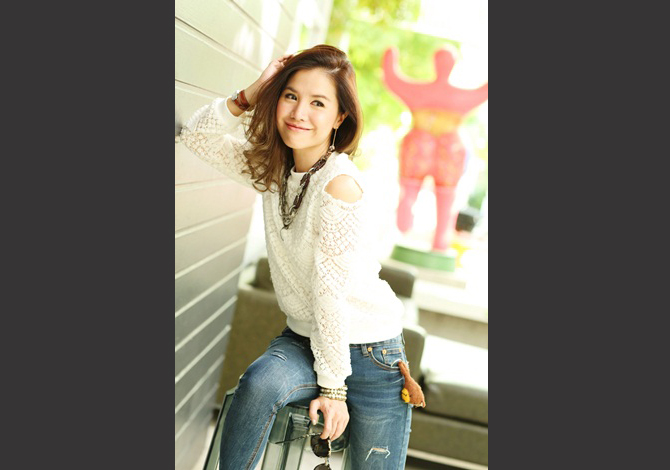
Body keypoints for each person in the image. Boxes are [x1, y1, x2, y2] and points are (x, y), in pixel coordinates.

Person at [181, 44, 413, 470]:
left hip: (371, 354)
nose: (299, 112)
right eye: (290, 96)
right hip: (304, 340)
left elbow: (330, 294)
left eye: (318, 103)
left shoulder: (339, 185)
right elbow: (196, 136)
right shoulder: (274, 169)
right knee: (258, 385)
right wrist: (252, 92)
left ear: (340, 117)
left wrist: (334, 389)